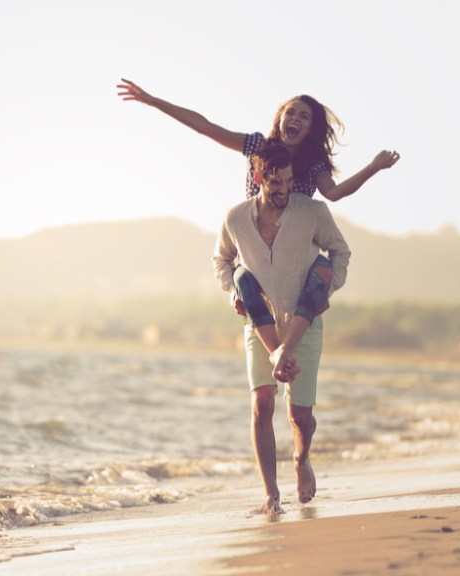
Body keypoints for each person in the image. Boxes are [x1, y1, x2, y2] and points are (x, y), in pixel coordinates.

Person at [117, 79, 395, 381]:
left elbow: (335, 193)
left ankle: (284, 352)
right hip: (257, 251)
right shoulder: (258, 146)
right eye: (290, 113)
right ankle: (279, 354)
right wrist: (154, 101)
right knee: (242, 280)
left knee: (321, 271)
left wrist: (373, 167)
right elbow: (206, 127)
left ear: (310, 129)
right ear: (280, 118)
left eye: (304, 117)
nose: (295, 119)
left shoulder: (312, 164)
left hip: (295, 257)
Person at [212, 142, 351, 515]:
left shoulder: (312, 213)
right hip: (260, 326)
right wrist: (233, 293)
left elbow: (340, 251)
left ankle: (301, 459)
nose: (284, 189)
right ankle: (271, 496)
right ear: (259, 178)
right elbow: (222, 260)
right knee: (261, 402)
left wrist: (328, 288)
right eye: (276, 182)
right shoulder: (236, 219)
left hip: (304, 325)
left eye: (289, 181)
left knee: (299, 416)